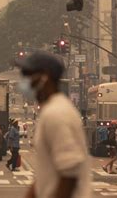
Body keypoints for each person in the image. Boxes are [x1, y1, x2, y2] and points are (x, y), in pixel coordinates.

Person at [16, 52, 91, 198]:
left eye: (28, 74)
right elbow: (46, 177)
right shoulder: (52, 109)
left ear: (45, 77)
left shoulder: (57, 114)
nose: (24, 80)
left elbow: (69, 173)